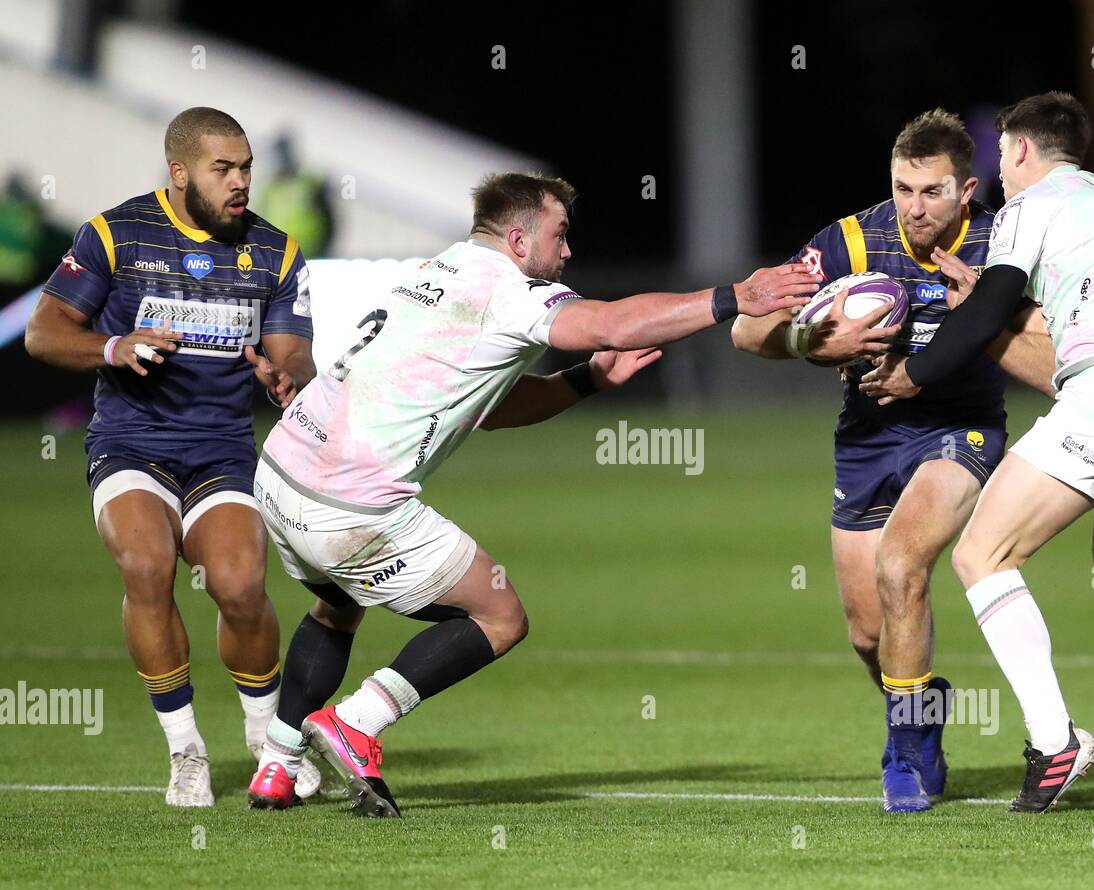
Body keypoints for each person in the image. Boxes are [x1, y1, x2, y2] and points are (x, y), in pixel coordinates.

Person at [246, 172, 820, 816]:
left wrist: (585, 385)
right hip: (349, 506)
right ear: (519, 240)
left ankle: (276, 763)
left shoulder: (438, 269)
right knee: (500, 616)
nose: (568, 251)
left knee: (336, 608)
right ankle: (356, 721)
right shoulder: (511, 293)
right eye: (560, 235)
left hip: (279, 471)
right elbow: (611, 324)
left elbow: (488, 406)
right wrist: (737, 296)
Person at [861, 92, 1094, 811]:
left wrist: (913, 372)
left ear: (1022, 151)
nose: (1001, 169)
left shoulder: (1026, 208)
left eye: (1002, 152)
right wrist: (989, 303)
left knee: (982, 555)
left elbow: (985, 312)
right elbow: (1043, 315)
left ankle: (1053, 739)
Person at [732, 109, 1054, 812]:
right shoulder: (852, 240)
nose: (915, 207)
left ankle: (905, 757)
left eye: (932, 191)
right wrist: (812, 345)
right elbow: (746, 328)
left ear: (968, 188)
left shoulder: (1006, 243)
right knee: (868, 633)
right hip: (868, 436)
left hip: (961, 430)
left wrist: (986, 328)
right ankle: (922, 709)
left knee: (903, 562)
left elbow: (1053, 359)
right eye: (904, 188)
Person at [25, 107, 322, 806]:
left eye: (246, 166)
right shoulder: (114, 234)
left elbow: (295, 353)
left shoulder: (275, 252)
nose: (241, 181)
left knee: (241, 586)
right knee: (147, 564)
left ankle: (265, 740)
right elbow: (43, 331)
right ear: (180, 172)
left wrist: (288, 376)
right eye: (224, 169)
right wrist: (112, 346)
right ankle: (186, 749)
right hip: (132, 443)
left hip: (221, 448)